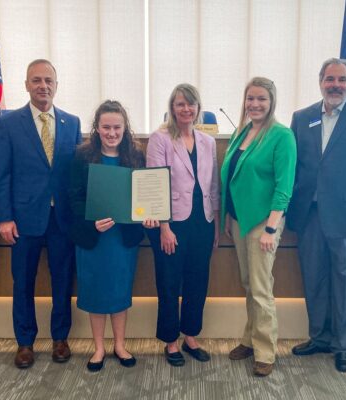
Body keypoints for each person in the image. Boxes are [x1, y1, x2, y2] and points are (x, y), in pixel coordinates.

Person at [286, 58, 346, 373]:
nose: (335, 85)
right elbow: (293, 167)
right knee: (314, 279)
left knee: (345, 282)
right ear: (320, 82)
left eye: (342, 80)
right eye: (330, 79)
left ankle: (343, 345)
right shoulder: (302, 118)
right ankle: (319, 337)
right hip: (309, 214)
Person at [0, 59, 82, 369]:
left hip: (62, 220)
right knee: (23, 283)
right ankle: (25, 342)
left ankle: (60, 338)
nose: (43, 85)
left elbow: (74, 172)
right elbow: (0, 174)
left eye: (48, 80)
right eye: (36, 80)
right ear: (26, 84)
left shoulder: (72, 122)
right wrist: (4, 217)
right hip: (24, 218)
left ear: (57, 86)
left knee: (62, 280)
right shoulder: (8, 123)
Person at [68, 100, 158, 372]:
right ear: (96, 128)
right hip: (93, 238)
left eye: (116, 127)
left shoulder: (136, 156)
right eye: (106, 127)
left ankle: (119, 344)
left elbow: (144, 195)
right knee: (95, 291)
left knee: (119, 290)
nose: (111, 133)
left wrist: (150, 214)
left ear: (124, 128)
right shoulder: (82, 156)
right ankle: (98, 348)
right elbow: (73, 198)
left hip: (122, 238)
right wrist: (91, 222)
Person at [222, 77, 296, 377]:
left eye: (261, 99)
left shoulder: (281, 136)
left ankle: (265, 350)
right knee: (249, 283)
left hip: (264, 222)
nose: (254, 104)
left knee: (261, 287)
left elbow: (284, 187)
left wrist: (270, 229)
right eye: (250, 98)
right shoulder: (242, 132)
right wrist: (228, 215)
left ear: (272, 101)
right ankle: (250, 340)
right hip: (241, 220)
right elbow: (232, 178)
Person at [146, 83, 220, 367]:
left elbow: (213, 184)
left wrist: (214, 222)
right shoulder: (160, 138)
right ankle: (170, 341)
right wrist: (163, 226)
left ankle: (190, 335)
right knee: (168, 282)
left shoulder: (207, 141)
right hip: (172, 223)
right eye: (180, 104)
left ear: (198, 108)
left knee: (197, 280)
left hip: (202, 221)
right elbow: (156, 182)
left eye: (191, 104)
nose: (186, 109)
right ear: (172, 108)